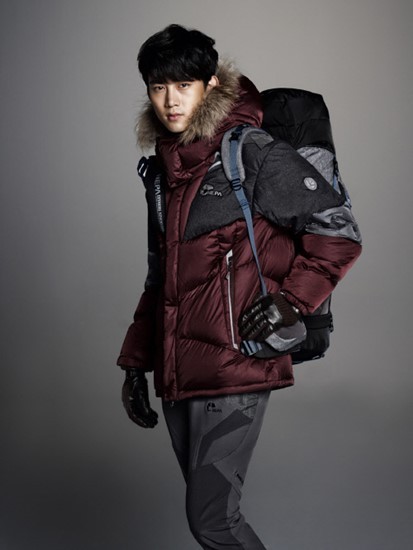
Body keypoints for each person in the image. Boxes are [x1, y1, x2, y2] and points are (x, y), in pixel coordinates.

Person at [117, 24, 362, 549]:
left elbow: (338, 233)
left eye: (184, 85)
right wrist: (137, 362)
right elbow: (161, 276)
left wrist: (291, 303)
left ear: (210, 84)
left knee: (212, 521)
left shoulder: (248, 151)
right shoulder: (165, 169)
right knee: (210, 516)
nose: (170, 100)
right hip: (179, 368)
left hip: (239, 362)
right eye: (159, 87)